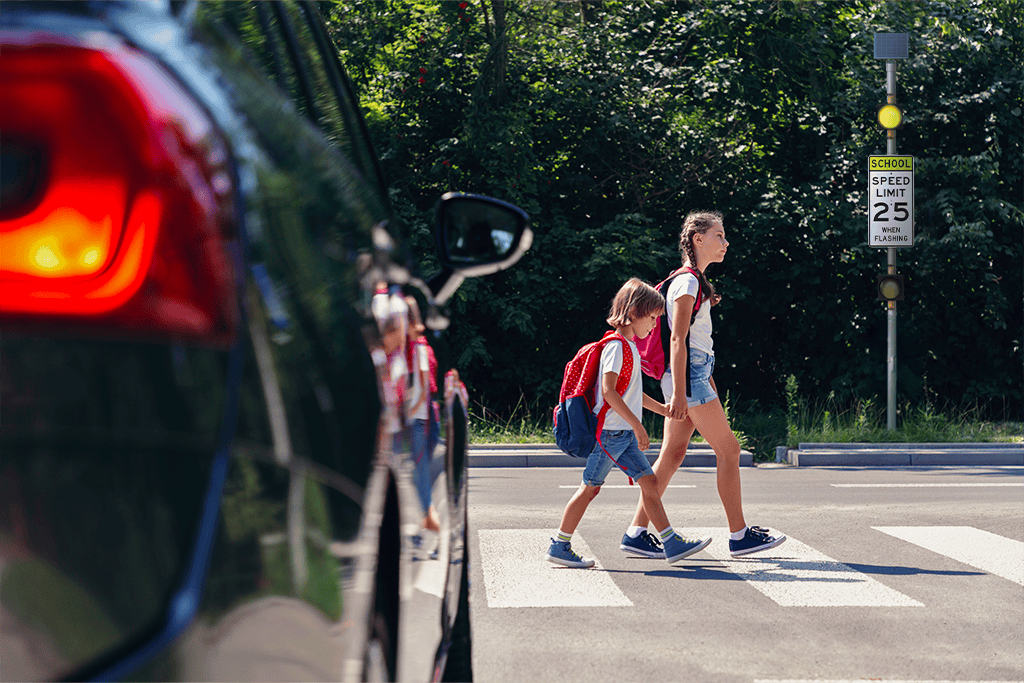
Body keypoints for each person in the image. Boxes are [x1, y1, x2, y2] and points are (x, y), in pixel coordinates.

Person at [620, 211, 786, 559]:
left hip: (693, 375)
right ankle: (740, 536)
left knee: (673, 454)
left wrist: (699, 380)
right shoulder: (688, 283)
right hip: (687, 377)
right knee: (729, 451)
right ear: (698, 239)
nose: (725, 242)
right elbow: (678, 340)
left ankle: (636, 533)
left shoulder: (693, 282)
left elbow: (692, 341)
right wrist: (682, 392)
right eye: (719, 235)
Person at [546, 278, 712, 568]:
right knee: (590, 488)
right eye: (651, 318)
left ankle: (670, 542)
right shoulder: (616, 346)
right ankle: (560, 544)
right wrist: (638, 426)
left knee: (649, 482)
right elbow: (609, 392)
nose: (653, 326)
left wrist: (662, 409)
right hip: (610, 435)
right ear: (633, 312)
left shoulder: (629, 347)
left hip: (619, 435)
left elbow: (631, 393)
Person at [405, 296, 441, 534]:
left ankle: (428, 527)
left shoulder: (418, 349)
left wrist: (405, 411)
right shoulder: (412, 348)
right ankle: (425, 525)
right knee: (418, 476)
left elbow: (424, 388)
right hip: (416, 419)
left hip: (417, 420)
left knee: (420, 476)